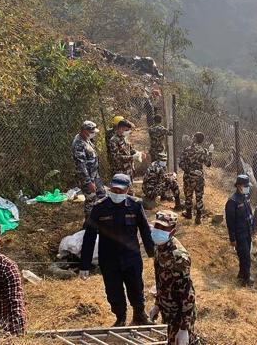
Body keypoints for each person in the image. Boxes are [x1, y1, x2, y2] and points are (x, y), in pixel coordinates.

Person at [80, 173, 155, 327]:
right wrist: (84, 265)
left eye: (121, 191)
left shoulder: (135, 205)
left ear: (128, 189)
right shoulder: (99, 208)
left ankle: (139, 314)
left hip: (131, 257)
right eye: (114, 190)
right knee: (113, 290)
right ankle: (120, 317)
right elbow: (89, 237)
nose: (117, 193)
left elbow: (145, 231)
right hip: (109, 259)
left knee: (136, 286)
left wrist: (152, 253)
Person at [148, 210, 197, 345]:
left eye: (164, 228)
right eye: (157, 226)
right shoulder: (160, 247)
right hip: (169, 309)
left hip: (180, 314)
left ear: (172, 232)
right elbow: (162, 281)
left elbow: (188, 294)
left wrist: (184, 328)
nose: (159, 230)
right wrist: (158, 305)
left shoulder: (179, 257)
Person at [225, 174, 255, 286]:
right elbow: (230, 222)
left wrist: (252, 228)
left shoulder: (245, 197)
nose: (247, 187)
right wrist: (232, 239)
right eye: (245, 185)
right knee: (245, 256)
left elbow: (249, 214)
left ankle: (241, 276)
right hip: (239, 234)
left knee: (245, 255)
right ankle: (246, 279)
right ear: (238, 186)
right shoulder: (232, 202)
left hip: (247, 232)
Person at [72, 120, 105, 220]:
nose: (94, 133)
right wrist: (89, 182)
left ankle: (100, 220)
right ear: (85, 131)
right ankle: (89, 224)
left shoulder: (86, 139)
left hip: (94, 175)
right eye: (92, 131)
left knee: (102, 195)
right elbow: (81, 166)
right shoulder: (78, 144)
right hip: (87, 178)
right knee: (91, 200)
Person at [178, 132, 212, 224]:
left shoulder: (187, 149)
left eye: (193, 136)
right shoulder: (204, 151)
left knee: (188, 195)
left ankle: (188, 214)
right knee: (199, 196)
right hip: (199, 177)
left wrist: (189, 170)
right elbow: (208, 164)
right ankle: (198, 217)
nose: (192, 137)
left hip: (189, 176)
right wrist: (210, 153)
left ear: (195, 138)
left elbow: (181, 163)